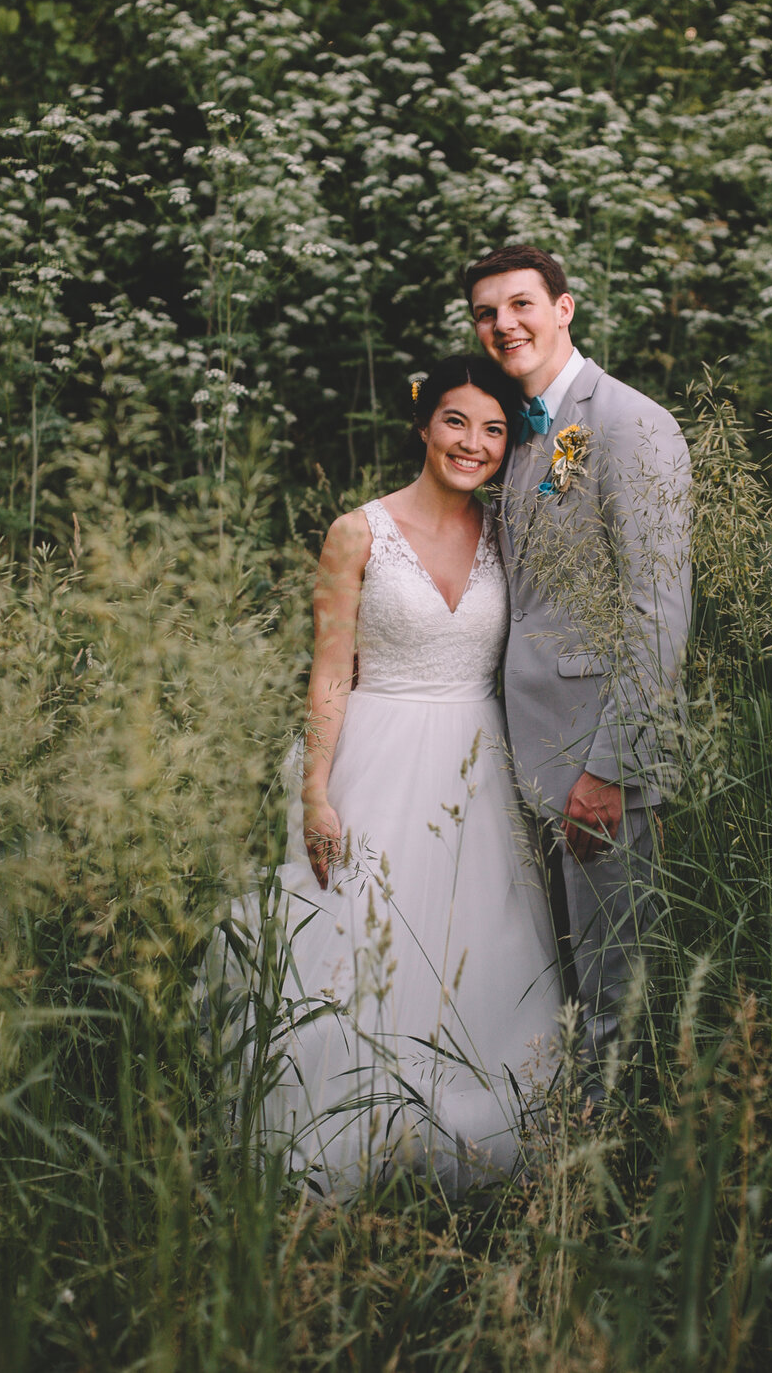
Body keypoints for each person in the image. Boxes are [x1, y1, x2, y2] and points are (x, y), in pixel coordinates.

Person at [234, 355, 560, 1200]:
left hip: (480, 765)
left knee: (479, 946)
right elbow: (329, 672)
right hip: (378, 753)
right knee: (362, 945)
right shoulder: (359, 530)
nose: (473, 443)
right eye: (457, 422)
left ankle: (471, 1149)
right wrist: (315, 789)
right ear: (423, 425)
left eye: (494, 430)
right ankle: (349, 1140)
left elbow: (574, 510)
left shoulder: (507, 530)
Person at [465, 245, 692, 1101]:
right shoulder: (525, 432)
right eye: (487, 314)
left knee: (614, 982)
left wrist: (612, 768)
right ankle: (566, 1133)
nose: (504, 325)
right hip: (529, 754)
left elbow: (658, 611)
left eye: (520, 304)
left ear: (564, 308)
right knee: (562, 973)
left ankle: (618, 1173)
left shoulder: (630, 422)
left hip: (599, 758)